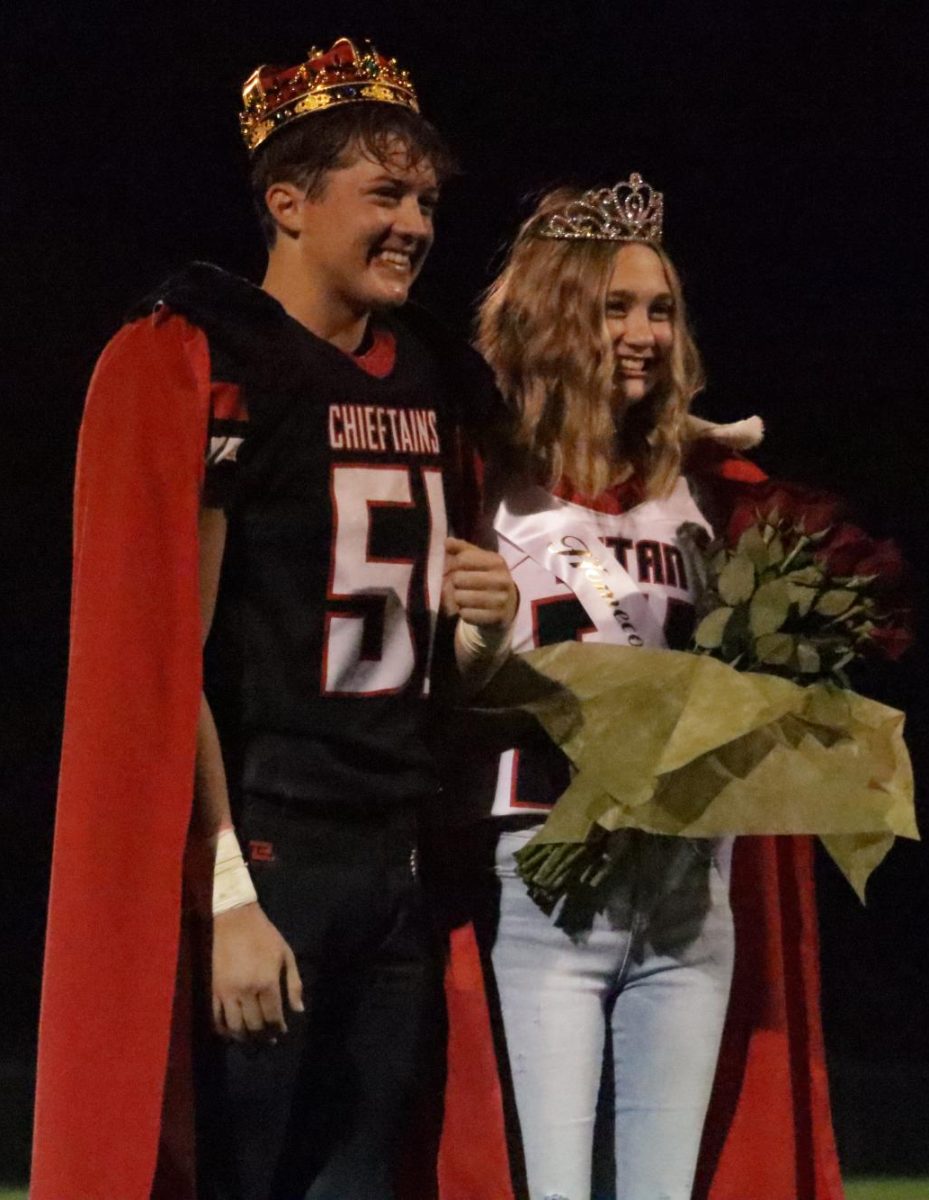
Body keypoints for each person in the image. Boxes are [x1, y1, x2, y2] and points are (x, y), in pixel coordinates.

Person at [31, 37, 516, 1200]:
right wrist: (228, 893)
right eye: (383, 193)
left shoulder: (430, 379)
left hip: (393, 860)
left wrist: (479, 626)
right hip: (275, 851)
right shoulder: (217, 357)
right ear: (286, 203)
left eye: (425, 200)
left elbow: (412, 651)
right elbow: (168, 660)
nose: (413, 224)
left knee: (361, 1180)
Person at [461, 175, 833, 1200]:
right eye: (614, 308)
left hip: (684, 885)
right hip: (545, 870)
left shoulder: (706, 492)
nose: (645, 333)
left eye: (659, 308)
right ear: (554, 318)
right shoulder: (482, 477)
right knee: (550, 1186)